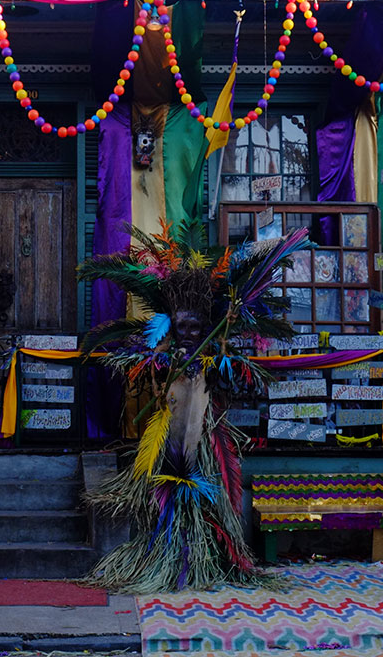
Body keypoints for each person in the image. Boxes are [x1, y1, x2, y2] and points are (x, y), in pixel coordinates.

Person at [79, 221, 310, 593]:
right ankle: (164, 551)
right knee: (166, 493)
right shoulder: (163, 354)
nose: (188, 334)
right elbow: (154, 380)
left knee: (205, 494)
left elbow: (227, 382)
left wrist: (219, 356)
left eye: (196, 328)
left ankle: (208, 554)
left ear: (206, 327)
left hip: (203, 438)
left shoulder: (212, 353)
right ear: (172, 325)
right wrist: (164, 368)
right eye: (182, 327)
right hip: (168, 440)